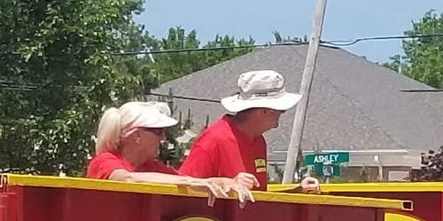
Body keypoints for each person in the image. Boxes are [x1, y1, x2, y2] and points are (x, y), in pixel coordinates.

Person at [180, 69, 318, 192]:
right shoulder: (214, 139)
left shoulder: (258, 141)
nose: (283, 114)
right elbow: (184, 188)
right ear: (264, 111)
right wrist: (227, 184)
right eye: (281, 110)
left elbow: (259, 200)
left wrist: (298, 191)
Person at [86, 101, 246, 202]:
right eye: (158, 131)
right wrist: (191, 182)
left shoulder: (151, 167)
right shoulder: (104, 161)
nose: (163, 138)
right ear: (137, 136)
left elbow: (187, 180)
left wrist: (225, 182)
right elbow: (127, 180)